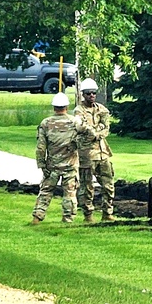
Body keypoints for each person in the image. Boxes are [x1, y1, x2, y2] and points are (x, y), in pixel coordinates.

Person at [32, 92, 90, 225]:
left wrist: (41, 164)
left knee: (46, 191)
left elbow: (41, 147)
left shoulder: (45, 123)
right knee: (70, 192)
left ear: (54, 107)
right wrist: (77, 144)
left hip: (52, 166)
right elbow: (89, 134)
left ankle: (37, 217)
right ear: (67, 106)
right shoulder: (75, 121)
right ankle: (68, 219)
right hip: (70, 164)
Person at [73, 78, 115, 223]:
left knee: (108, 184)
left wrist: (95, 133)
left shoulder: (102, 109)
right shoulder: (79, 111)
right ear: (83, 95)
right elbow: (79, 126)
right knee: (87, 186)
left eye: (94, 93)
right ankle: (88, 215)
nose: (92, 96)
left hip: (103, 152)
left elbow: (106, 127)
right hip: (87, 154)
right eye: (89, 93)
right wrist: (93, 131)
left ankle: (107, 213)